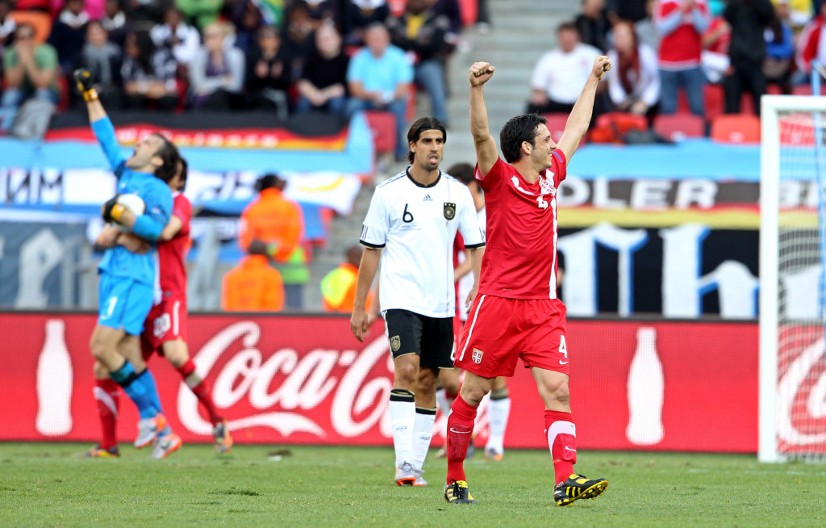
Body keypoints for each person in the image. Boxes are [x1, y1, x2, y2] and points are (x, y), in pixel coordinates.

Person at [443, 59, 611, 506]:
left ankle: (565, 479)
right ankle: (455, 475)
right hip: (497, 302)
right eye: (544, 139)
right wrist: (475, 91)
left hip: (542, 306)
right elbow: (481, 136)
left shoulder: (553, 173)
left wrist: (592, 79)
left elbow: (576, 128)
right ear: (523, 148)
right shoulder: (498, 179)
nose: (553, 143)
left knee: (557, 388)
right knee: (474, 391)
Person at [351, 116, 485, 488]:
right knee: (407, 370)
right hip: (400, 298)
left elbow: (476, 245)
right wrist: (360, 305)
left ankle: (415, 466)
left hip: (440, 302)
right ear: (412, 146)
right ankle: (402, 462)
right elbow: (371, 253)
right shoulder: (388, 193)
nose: (434, 148)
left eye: (439, 141)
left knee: (430, 381)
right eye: (427, 141)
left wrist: (478, 283)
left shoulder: (457, 193)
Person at [86, 158, 233, 458]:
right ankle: (110, 444)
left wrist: (124, 228)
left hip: (166, 295)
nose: (161, 177)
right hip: (139, 295)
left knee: (177, 354)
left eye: (169, 173)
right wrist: (118, 230)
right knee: (105, 363)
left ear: (178, 180)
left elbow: (163, 232)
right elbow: (105, 235)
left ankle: (217, 420)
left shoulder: (179, 203)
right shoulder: (143, 202)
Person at [73, 67, 183, 459]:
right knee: (126, 358)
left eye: (149, 142)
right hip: (115, 271)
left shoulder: (155, 188)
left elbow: (156, 229)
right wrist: (91, 96)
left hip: (132, 277)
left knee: (101, 347)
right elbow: (105, 137)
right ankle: (152, 433)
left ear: (158, 161)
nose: (139, 142)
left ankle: (156, 420)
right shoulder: (126, 175)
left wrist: (120, 219)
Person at [441, 162, 512, 462]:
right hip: (455, 305)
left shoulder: (493, 214)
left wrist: (454, 274)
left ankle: (495, 443)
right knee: (445, 375)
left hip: (490, 303)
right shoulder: (456, 216)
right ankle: (459, 440)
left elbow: (483, 254)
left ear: (473, 186)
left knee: (493, 376)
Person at [239, 173, 308, 309]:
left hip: (263, 266)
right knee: (295, 311)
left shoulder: (252, 209)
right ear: (275, 184)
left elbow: (246, 241)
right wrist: (281, 253)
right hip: (291, 266)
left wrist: (266, 255)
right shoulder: (289, 207)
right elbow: (295, 233)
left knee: (265, 311)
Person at [345, 22, 413, 162]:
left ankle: (398, 149)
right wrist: (372, 95)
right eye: (373, 38)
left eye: (379, 38)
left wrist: (388, 96)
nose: (376, 42)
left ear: (387, 39)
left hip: (391, 98)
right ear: (367, 40)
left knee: (399, 107)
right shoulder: (359, 57)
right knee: (352, 106)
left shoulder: (398, 56)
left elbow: (403, 86)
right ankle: (353, 145)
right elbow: (354, 87)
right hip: (366, 98)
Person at [526, 22, 602, 116]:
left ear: (577, 36)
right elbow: (538, 84)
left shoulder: (591, 54)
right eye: (564, 37)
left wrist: (586, 97)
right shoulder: (548, 58)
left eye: (569, 36)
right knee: (532, 107)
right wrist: (539, 94)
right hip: (556, 102)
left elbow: (603, 82)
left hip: (583, 101)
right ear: (558, 38)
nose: (567, 40)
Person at [0, 23, 59, 135]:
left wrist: (29, 61)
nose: (24, 42)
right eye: (19, 38)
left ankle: (36, 131)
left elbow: (43, 84)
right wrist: (21, 63)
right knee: (10, 95)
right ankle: (4, 130)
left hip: (46, 91)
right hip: (21, 90)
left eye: (27, 37)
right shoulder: (10, 53)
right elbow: (13, 84)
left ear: (34, 39)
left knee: (41, 93)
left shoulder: (47, 51)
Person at [655, 0, 710, 117]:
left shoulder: (701, 2)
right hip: (667, 65)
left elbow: (704, 27)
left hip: (692, 63)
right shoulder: (664, 2)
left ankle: (700, 134)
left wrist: (694, 9)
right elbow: (662, 28)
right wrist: (681, 10)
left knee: (697, 108)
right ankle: (667, 135)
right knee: (668, 109)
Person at [607, 20, 661, 124]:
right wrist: (622, 101)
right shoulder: (612, 56)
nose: (619, 39)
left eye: (623, 36)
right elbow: (614, 83)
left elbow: (656, 80)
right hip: (626, 101)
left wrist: (645, 102)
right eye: (616, 36)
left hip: (647, 100)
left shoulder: (645, 53)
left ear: (633, 37)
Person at [296, 23, 349, 117]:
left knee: (337, 104)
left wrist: (323, 95)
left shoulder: (346, 61)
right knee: (303, 103)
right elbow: (303, 82)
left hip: (333, 96)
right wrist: (313, 95)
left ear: (338, 39)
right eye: (320, 40)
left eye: (328, 39)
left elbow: (343, 88)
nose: (324, 43)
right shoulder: (311, 59)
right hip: (313, 94)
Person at [222, 239, 286, 311]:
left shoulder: (232, 276)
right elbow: (274, 305)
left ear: (248, 253)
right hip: (263, 320)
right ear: (265, 254)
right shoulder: (271, 275)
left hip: (236, 320)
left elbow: (229, 305)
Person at [321, 245, 374, 313]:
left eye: (361, 257)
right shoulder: (344, 275)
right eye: (358, 256)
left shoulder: (354, 274)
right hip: (347, 319)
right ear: (349, 257)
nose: (361, 260)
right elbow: (333, 303)